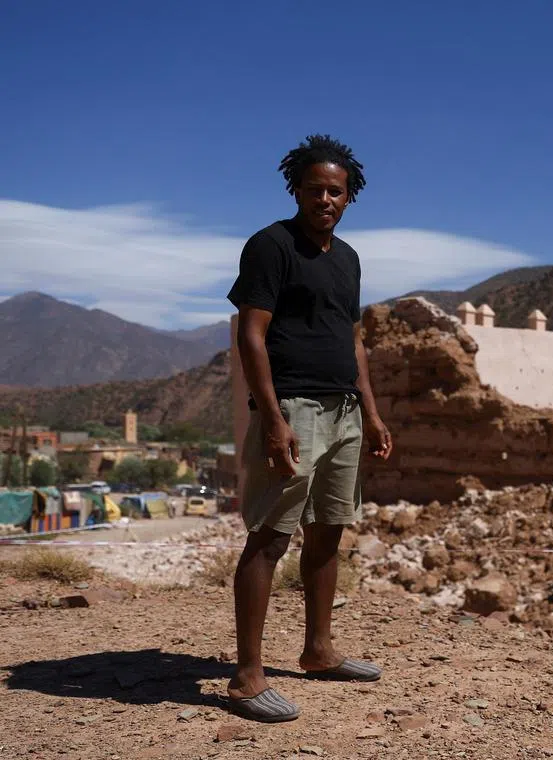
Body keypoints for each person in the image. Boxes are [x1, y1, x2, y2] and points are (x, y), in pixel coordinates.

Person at [224, 134, 393, 723]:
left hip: (345, 411)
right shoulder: (270, 246)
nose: (325, 198)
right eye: (316, 188)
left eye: (336, 191)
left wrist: (370, 412)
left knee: (329, 531)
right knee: (271, 536)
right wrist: (271, 419)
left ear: (350, 197)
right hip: (293, 409)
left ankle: (319, 651)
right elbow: (251, 334)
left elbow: (353, 342)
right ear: (296, 187)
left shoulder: (347, 258)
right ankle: (247, 678)